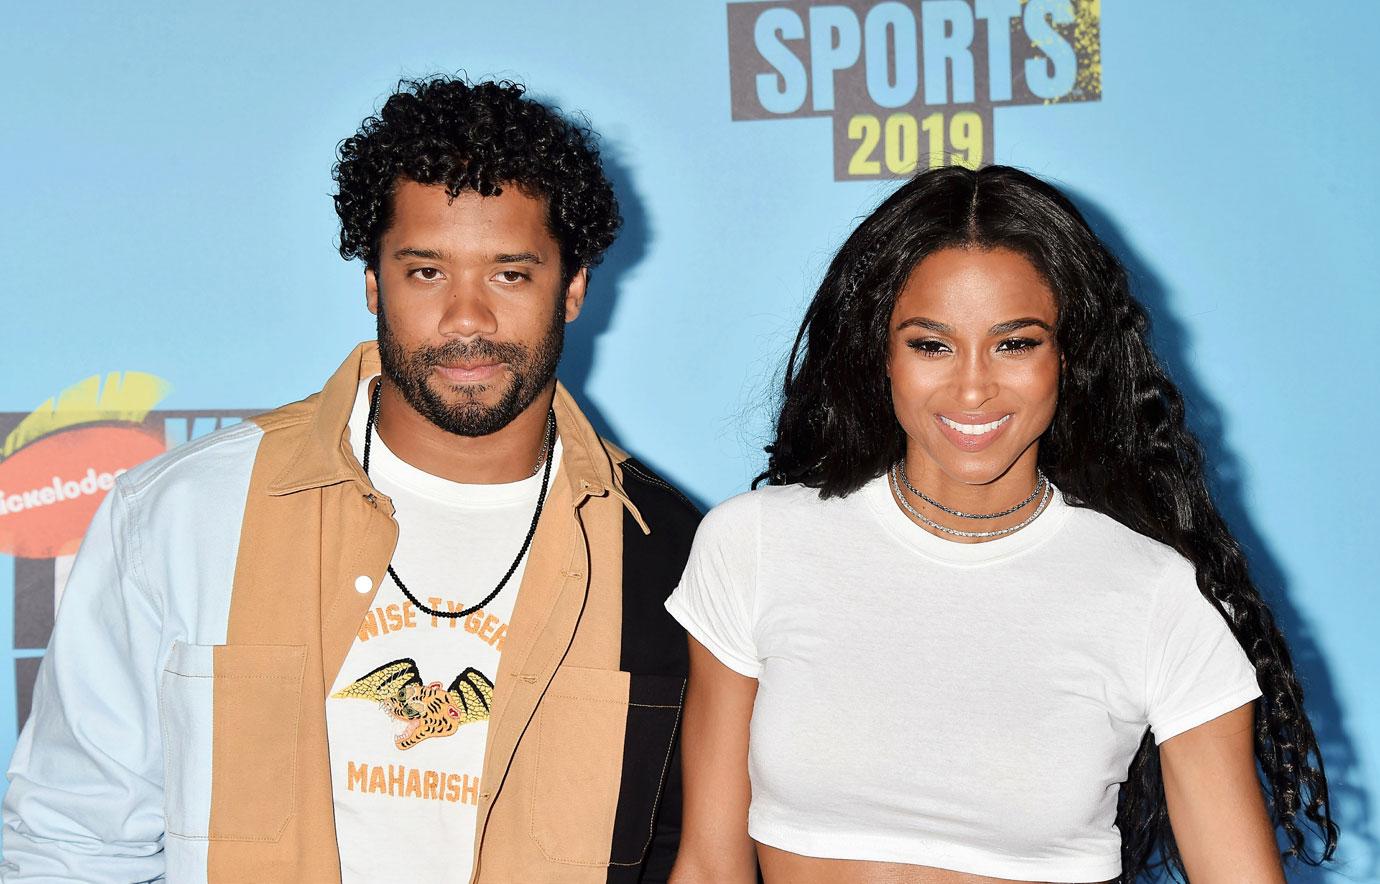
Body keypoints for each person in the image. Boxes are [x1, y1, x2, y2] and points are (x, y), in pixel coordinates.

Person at [1, 76, 698, 884]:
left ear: (572, 288)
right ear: (373, 282)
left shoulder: (667, 550)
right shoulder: (184, 514)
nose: (466, 318)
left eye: (509, 274)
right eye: (426, 272)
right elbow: (69, 848)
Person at [665, 165, 1336, 883]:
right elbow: (709, 864)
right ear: (879, 353)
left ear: (1068, 357)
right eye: (932, 344)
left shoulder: (1158, 597)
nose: (974, 386)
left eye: (1016, 343)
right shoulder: (756, 545)